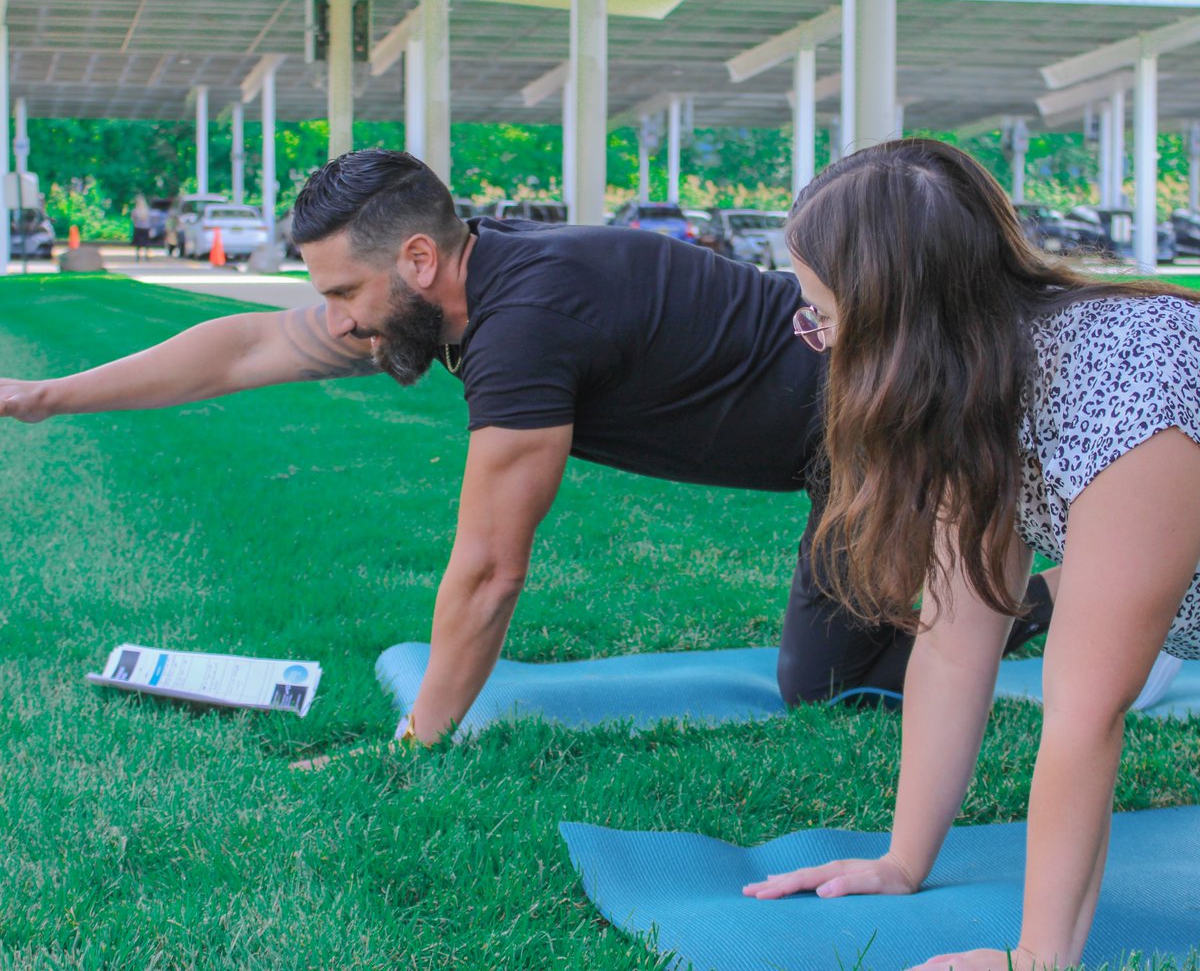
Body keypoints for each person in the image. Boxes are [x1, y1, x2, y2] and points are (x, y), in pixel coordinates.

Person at [0, 150, 1049, 745]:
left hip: (886, 424)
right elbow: (244, 349)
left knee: (829, 683)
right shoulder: (446, 296)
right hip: (828, 451)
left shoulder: (524, 326)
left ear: (416, 259)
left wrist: (420, 744)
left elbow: (493, 570)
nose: (338, 323)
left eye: (345, 295)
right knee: (828, 679)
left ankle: (1039, 601)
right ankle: (1005, 599)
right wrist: (47, 395)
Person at [742, 138, 1200, 971]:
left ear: (894, 320)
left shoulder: (1130, 383)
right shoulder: (980, 384)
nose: (822, 341)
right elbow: (955, 640)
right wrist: (901, 861)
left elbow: (1084, 709)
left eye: (825, 315)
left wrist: (1035, 958)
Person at [131, 193, 153, 262]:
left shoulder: (135, 210)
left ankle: (138, 256)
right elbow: (150, 219)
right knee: (147, 243)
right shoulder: (147, 210)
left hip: (138, 227)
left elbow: (133, 219)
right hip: (146, 228)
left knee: (139, 244)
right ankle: (147, 255)